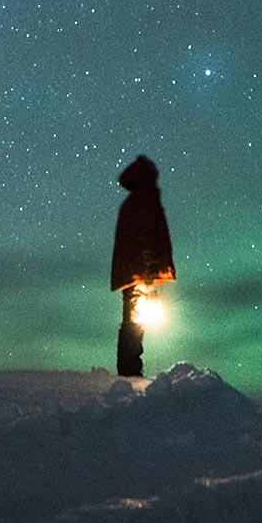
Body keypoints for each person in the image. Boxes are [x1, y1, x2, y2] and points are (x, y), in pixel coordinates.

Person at [110, 154, 175, 377]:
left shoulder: (131, 202)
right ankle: (130, 369)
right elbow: (147, 235)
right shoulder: (145, 199)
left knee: (131, 318)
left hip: (132, 272)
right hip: (141, 272)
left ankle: (128, 368)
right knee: (136, 319)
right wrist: (149, 268)